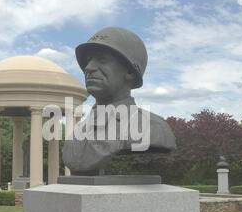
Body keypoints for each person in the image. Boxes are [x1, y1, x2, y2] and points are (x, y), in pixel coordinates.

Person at [62, 27, 176, 176]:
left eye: (102, 60)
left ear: (129, 71)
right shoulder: (77, 133)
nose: (88, 68)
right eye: (89, 60)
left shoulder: (154, 128)